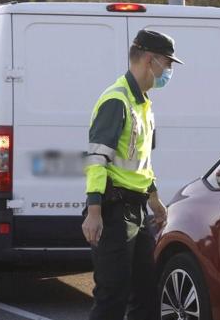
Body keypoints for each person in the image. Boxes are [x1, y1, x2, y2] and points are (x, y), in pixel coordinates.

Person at [82, 29, 183, 320]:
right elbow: (97, 158)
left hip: (136, 211)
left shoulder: (144, 104)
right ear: (150, 60)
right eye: (168, 63)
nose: (169, 70)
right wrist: (94, 211)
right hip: (114, 212)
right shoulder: (117, 100)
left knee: (148, 294)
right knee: (112, 297)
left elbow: (141, 161)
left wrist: (154, 200)